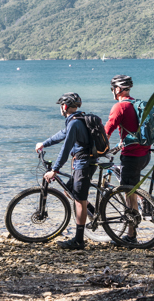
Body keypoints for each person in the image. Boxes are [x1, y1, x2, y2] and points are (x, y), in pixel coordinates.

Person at [35, 92, 96, 250]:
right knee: (70, 191)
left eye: (61, 106)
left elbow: (66, 147)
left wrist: (54, 170)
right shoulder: (77, 119)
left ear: (65, 107)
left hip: (83, 164)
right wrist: (44, 144)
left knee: (79, 200)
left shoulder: (74, 123)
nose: (60, 109)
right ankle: (95, 214)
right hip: (86, 162)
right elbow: (62, 135)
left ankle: (79, 240)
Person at [104, 75, 151, 244]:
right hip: (145, 154)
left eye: (112, 89)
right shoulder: (137, 104)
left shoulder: (119, 107)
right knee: (131, 187)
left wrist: (97, 148)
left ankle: (131, 236)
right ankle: (143, 199)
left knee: (128, 193)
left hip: (131, 156)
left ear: (117, 90)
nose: (112, 92)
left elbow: (106, 131)